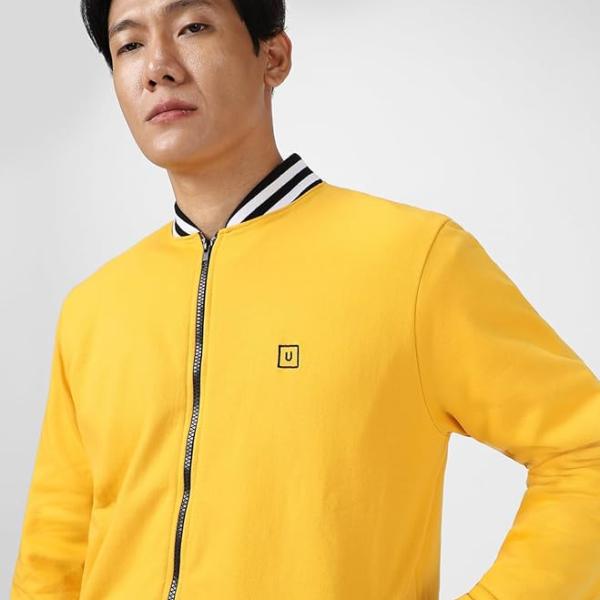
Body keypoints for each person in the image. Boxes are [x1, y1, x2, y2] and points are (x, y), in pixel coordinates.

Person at [10, 0, 600, 598]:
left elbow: (585, 451)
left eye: (192, 27)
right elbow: (53, 556)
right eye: (130, 44)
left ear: (273, 56)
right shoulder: (93, 311)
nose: (158, 67)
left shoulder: (414, 262)